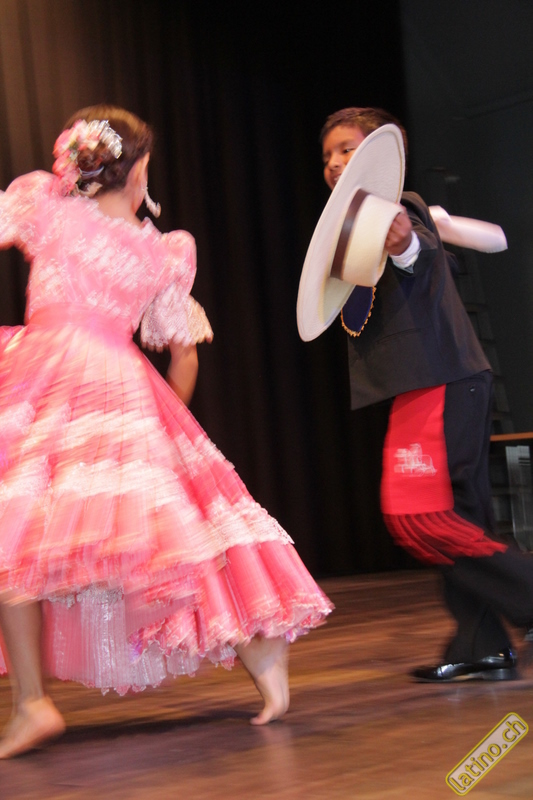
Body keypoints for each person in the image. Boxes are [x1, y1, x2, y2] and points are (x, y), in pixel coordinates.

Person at [0, 105, 332, 758]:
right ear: (141, 168)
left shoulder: (47, 207)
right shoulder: (163, 251)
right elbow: (184, 354)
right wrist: (160, 426)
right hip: (117, 384)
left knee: (18, 536)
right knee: (179, 531)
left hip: (42, 376)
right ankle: (261, 653)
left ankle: (32, 703)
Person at [316, 106, 533, 683]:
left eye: (347, 149)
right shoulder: (348, 231)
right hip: (434, 380)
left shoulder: (399, 206)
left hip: (440, 379)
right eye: (328, 155)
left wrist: (405, 242)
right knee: (461, 520)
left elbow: (416, 251)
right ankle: (482, 643)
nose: (334, 162)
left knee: (421, 516)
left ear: (380, 156)